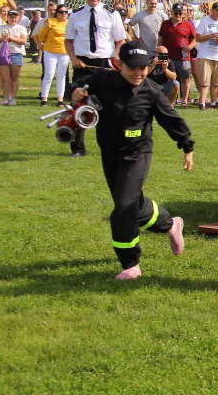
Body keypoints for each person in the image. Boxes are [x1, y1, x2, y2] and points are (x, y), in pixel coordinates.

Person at [68, 41, 192, 279]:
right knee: (131, 203)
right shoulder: (102, 79)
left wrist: (187, 146)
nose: (138, 73)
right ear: (119, 64)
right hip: (110, 152)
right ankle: (170, 224)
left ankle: (130, 263)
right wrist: (76, 90)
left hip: (137, 153)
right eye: (132, 68)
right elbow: (79, 84)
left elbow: (171, 118)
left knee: (124, 206)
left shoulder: (151, 91)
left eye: (143, 68)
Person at [64, 0, 128, 157]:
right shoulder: (75, 15)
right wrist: (74, 59)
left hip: (104, 65)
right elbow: (68, 41)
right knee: (78, 105)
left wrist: (117, 59)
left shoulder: (112, 14)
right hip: (82, 64)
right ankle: (78, 149)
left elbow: (120, 41)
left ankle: (109, 147)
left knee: (108, 106)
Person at [194, 2, 218, 109]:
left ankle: (213, 103)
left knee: (216, 81)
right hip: (205, 54)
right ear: (212, 11)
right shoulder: (205, 20)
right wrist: (210, 36)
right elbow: (197, 38)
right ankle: (202, 103)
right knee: (204, 80)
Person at [157, 3, 197, 107]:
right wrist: (161, 52)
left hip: (183, 57)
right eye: (176, 13)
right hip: (168, 57)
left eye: (180, 13)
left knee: (185, 78)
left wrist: (190, 47)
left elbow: (194, 39)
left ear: (183, 14)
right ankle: (170, 100)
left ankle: (184, 100)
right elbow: (160, 38)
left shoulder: (188, 24)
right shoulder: (165, 24)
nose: (178, 15)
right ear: (171, 13)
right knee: (168, 78)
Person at [37, 5, 71, 107]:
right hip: (50, 52)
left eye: (65, 12)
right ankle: (44, 98)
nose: (63, 14)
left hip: (64, 52)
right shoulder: (50, 22)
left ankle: (60, 99)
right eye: (61, 12)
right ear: (57, 13)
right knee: (49, 75)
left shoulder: (70, 23)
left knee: (61, 76)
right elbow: (41, 36)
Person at [0, 10, 27, 105]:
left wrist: (11, 38)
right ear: (7, 17)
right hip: (4, 54)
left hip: (16, 54)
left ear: (18, 18)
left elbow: (23, 41)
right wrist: (3, 38)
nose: (13, 19)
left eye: (15, 17)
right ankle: (5, 98)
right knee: (4, 77)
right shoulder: (2, 27)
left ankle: (12, 98)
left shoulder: (21, 28)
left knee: (14, 76)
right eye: (11, 17)